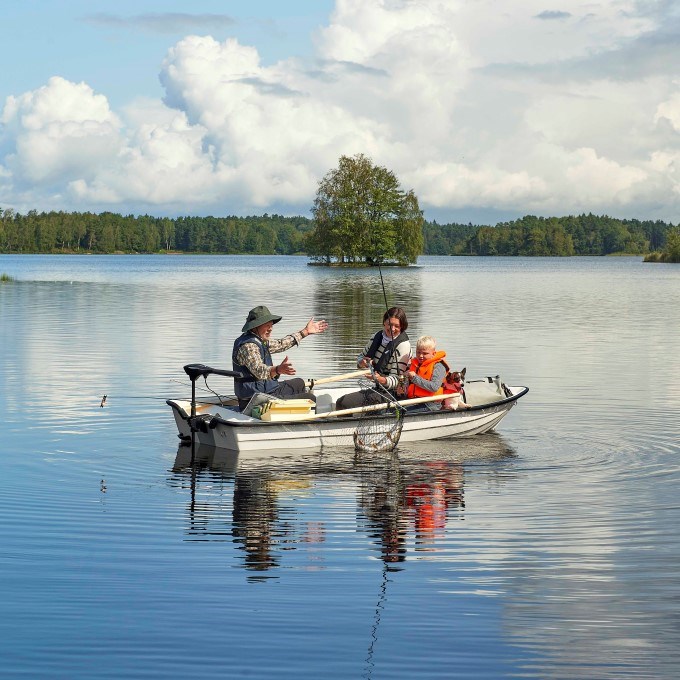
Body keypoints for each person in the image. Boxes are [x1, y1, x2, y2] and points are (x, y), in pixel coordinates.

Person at [232, 305, 328, 411]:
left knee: (299, 383)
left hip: (265, 392)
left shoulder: (259, 340)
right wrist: (278, 370)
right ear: (255, 327)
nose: (270, 329)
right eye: (267, 325)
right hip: (255, 400)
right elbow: (259, 371)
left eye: (271, 325)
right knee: (310, 399)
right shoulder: (249, 346)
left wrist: (305, 332)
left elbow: (281, 344)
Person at [335, 306, 411, 411]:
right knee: (342, 402)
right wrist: (362, 363)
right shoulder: (377, 336)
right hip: (378, 388)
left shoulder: (403, 346)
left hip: (393, 394)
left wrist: (381, 379)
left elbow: (398, 380)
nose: (392, 329)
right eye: (389, 324)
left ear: (402, 327)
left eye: (396, 326)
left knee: (343, 403)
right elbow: (360, 358)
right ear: (384, 322)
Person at [403, 335, 449, 410]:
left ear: (433, 354)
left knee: (399, 413)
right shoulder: (415, 364)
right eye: (418, 352)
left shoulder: (438, 366)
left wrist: (415, 378)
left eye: (425, 353)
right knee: (390, 410)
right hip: (413, 401)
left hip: (431, 404)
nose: (420, 356)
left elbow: (434, 387)